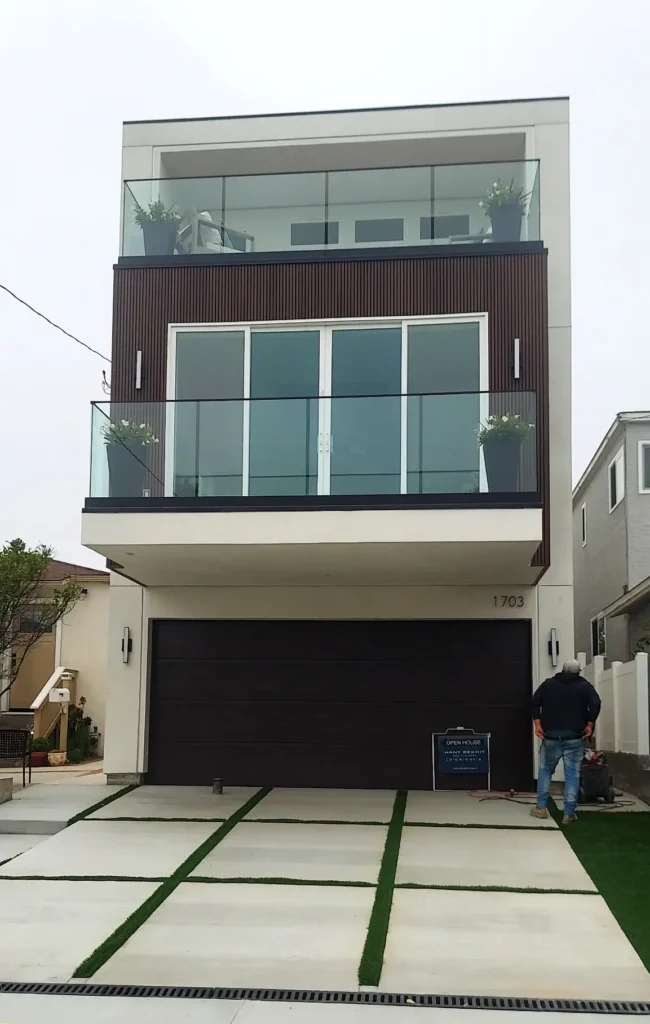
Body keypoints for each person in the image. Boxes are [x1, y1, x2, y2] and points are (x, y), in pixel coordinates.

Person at [530, 658, 601, 824]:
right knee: (572, 774)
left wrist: (537, 724)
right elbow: (596, 703)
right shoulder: (584, 686)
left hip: (550, 737)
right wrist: (590, 724)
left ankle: (541, 808)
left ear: (562, 670)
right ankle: (569, 813)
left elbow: (534, 702)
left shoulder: (548, 684)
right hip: (574, 737)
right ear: (578, 672)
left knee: (545, 769)